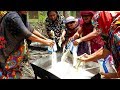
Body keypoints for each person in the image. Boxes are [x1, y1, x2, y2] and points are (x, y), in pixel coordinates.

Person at [0, 11, 54, 79]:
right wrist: (45, 42)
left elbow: (31, 30)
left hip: (15, 51)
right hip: (7, 50)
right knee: (7, 69)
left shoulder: (22, 15)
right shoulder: (13, 16)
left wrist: (45, 38)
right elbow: (27, 34)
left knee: (14, 68)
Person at [78, 11, 120, 79]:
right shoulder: (110, 32)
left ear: (104, 24)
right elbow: (106, 50)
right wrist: (88, 57)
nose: (98, 31)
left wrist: (110, 75)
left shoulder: (117, 36)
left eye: (99, 28)